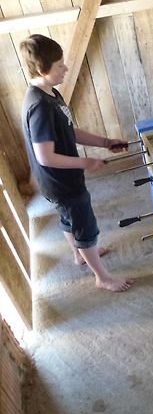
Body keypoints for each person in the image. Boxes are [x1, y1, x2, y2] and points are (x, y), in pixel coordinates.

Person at [20, 34, 133, 291]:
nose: (65, 69)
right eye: (60, 65)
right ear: (41, 69)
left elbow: (69, 131)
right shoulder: (39, 106)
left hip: (56, 182)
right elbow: (44, 156)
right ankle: (102, 278)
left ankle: (79, 255)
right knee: (85, 226)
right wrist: (84, 162)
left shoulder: (51, 94)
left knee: (68, 217)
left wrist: (105, 142)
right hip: (60, 182)